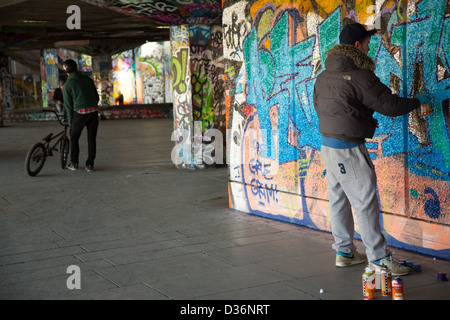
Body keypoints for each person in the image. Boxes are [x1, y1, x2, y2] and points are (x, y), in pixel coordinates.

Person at [313, 23, 433, 276]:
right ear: (357, 45)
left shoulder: (323, 76)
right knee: (365, 200)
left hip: (328, 144)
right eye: (367, 43)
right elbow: (389, 105)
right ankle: (378, 259)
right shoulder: (360, 75)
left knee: (339, 198)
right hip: (348, 147)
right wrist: (418, 100)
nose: (370, 47)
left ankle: (345, 252)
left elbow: (319, 106)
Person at [62, 59, 100, 172]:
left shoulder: (67, 85)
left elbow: (68, 107)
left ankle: (74, 163)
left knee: (74, 137)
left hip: (80, 113)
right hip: (93, 112)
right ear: (76, 68)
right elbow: (97, 98)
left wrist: (71, 122)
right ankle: (90, 164)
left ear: (66, 71)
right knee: (91, 138)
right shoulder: (88, 79)